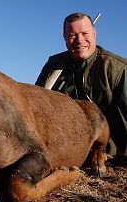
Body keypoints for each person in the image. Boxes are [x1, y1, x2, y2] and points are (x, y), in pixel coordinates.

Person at [35, 12, 127, 159]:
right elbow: (35, 107)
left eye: (85, 33)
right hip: (60, 152)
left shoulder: (117, 69)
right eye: (72, 35)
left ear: (94, 34)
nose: (79, 40)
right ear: (64, 38)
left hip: (108, 155)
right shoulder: (53, 64)